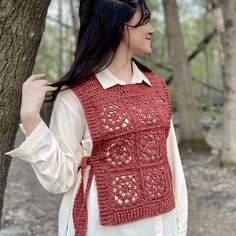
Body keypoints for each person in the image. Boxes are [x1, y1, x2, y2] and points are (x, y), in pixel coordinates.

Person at [5, 0, 188, 235]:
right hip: (99, 227)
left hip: (160, 225)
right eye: (144, 21)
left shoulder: (156, 87)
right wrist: (31, 118)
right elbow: (60, 179)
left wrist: (180, 227)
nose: (151, 29)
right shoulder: (76, 95)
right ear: (118, 25)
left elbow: (171, 164)